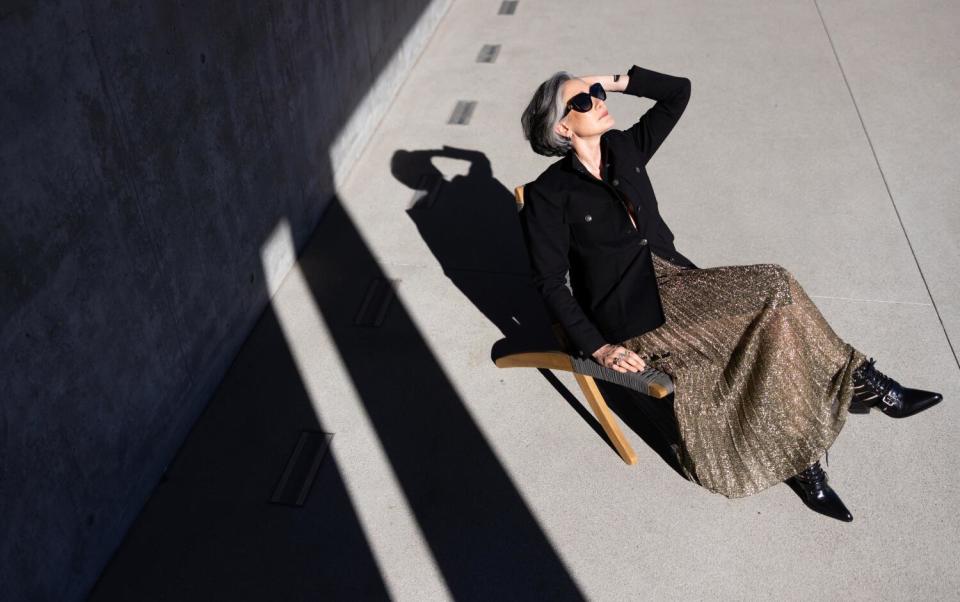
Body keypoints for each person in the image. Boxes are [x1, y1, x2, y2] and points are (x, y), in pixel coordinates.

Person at [518, 63, 944, 521]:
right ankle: (859, 393)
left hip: (681, 281)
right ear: (563, 126)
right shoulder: (548, 195)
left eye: (598, 93)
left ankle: (814, 444)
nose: (600, 101)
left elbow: (677, 93)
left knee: (777, 312)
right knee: (773, 291)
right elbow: (550, 283)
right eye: (584, 100)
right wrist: (600, 348)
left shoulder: (624, 147)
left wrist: (616, 78)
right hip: (634, 315)